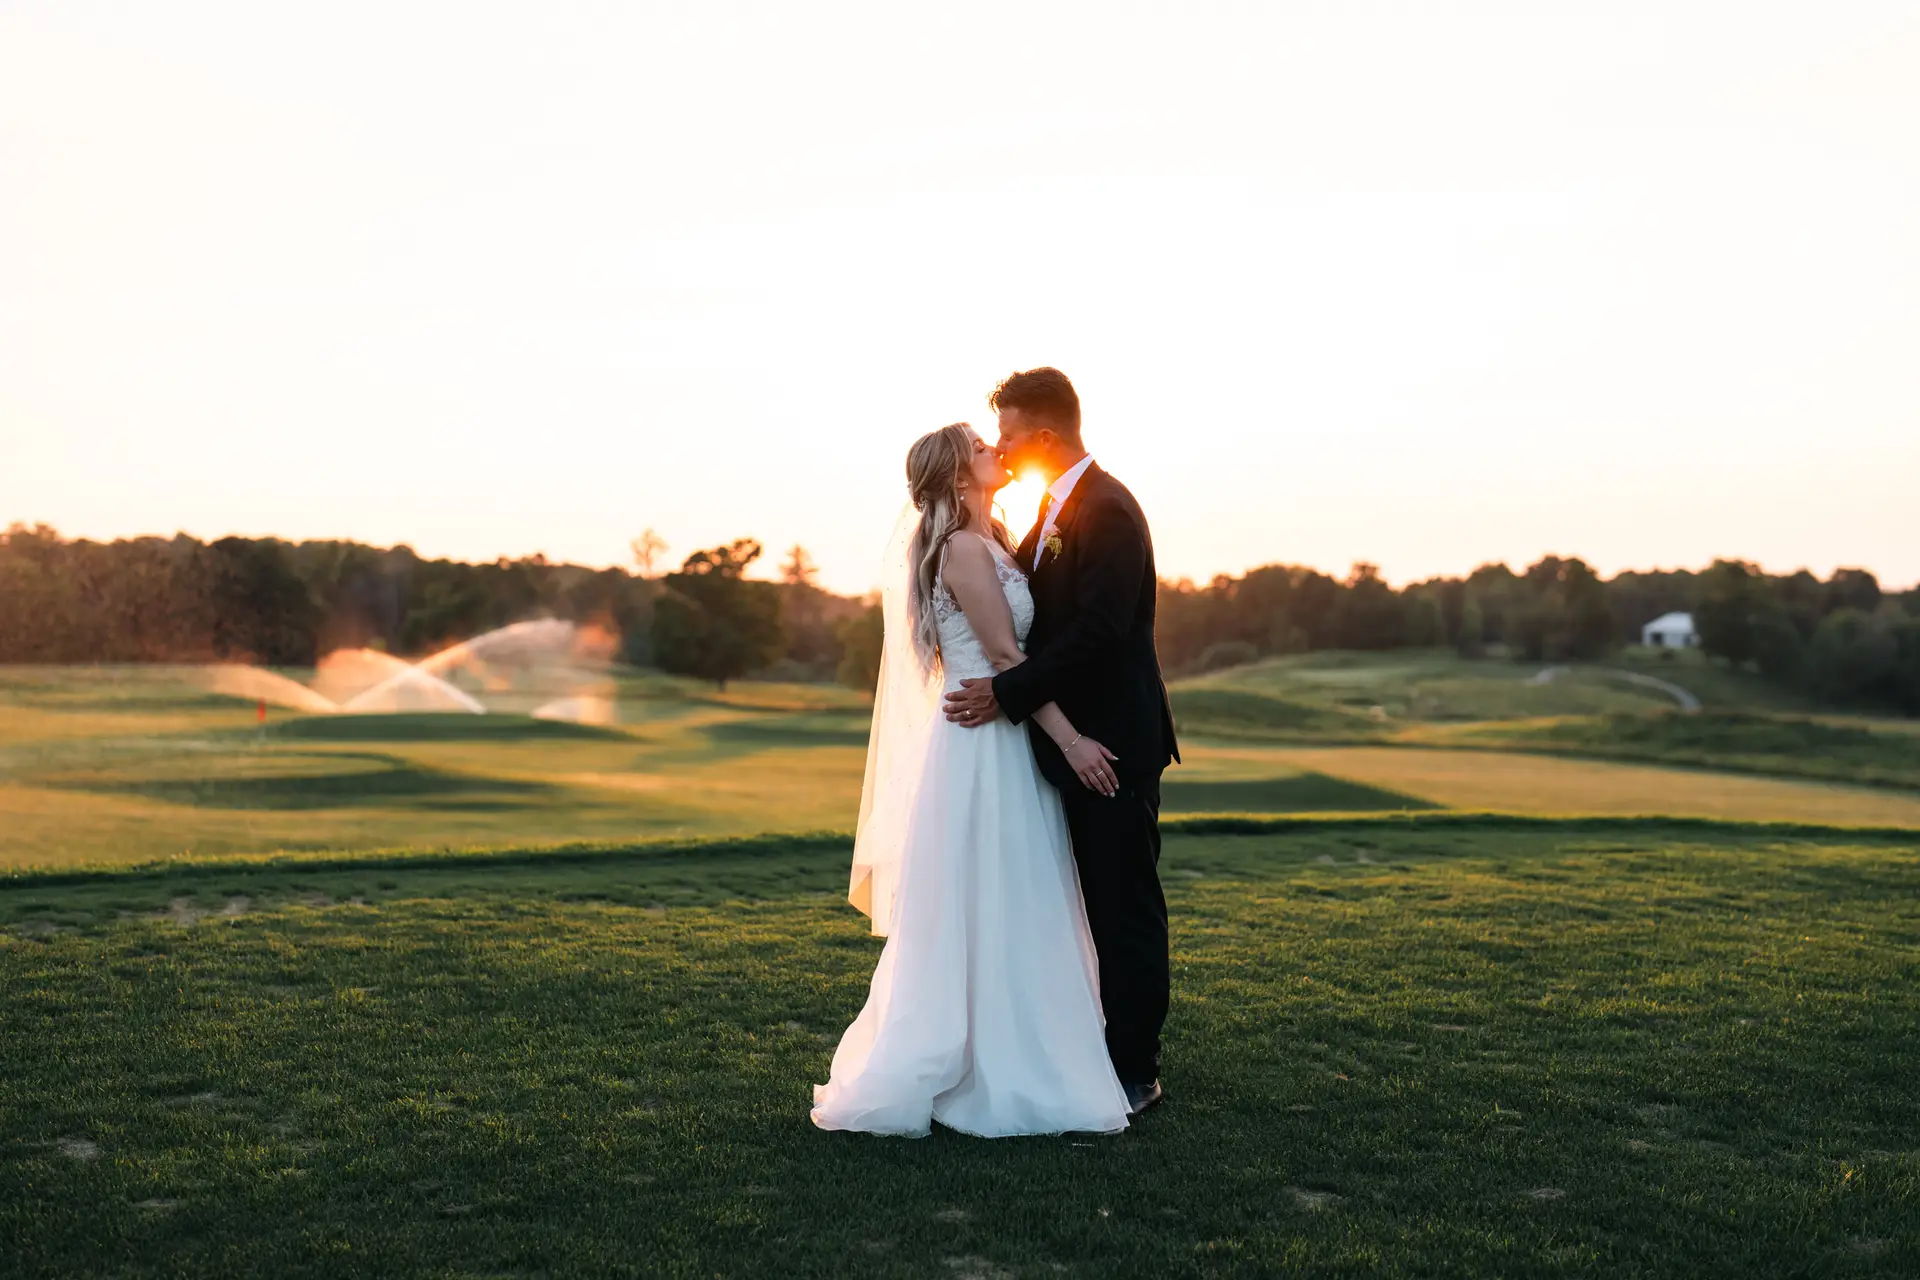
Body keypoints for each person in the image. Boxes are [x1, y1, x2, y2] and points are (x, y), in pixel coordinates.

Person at [810, 420, 1132, 1138]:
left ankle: (1014, 1049)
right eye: (984, 449)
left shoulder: (992, 540)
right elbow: (1005, 658)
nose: (999, 451)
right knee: (995, 895)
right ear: (960, 477)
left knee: (1013, 897)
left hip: (1000, 742)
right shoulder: (959, 548)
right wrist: (1074, 741)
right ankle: (997, 1068)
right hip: (984, 750)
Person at [944, 367, 1179, 1116]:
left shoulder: (1107, 508)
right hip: (1063, 744)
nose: (1002, 450)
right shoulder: (1050, 505)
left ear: (1044, 436)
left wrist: (1009, 691)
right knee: (1084, 906)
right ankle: (1078, 1047)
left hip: (1110, 744)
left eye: (1009, 436)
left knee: (1124, 909)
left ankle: (1135, 1069)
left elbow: (1101, 633)